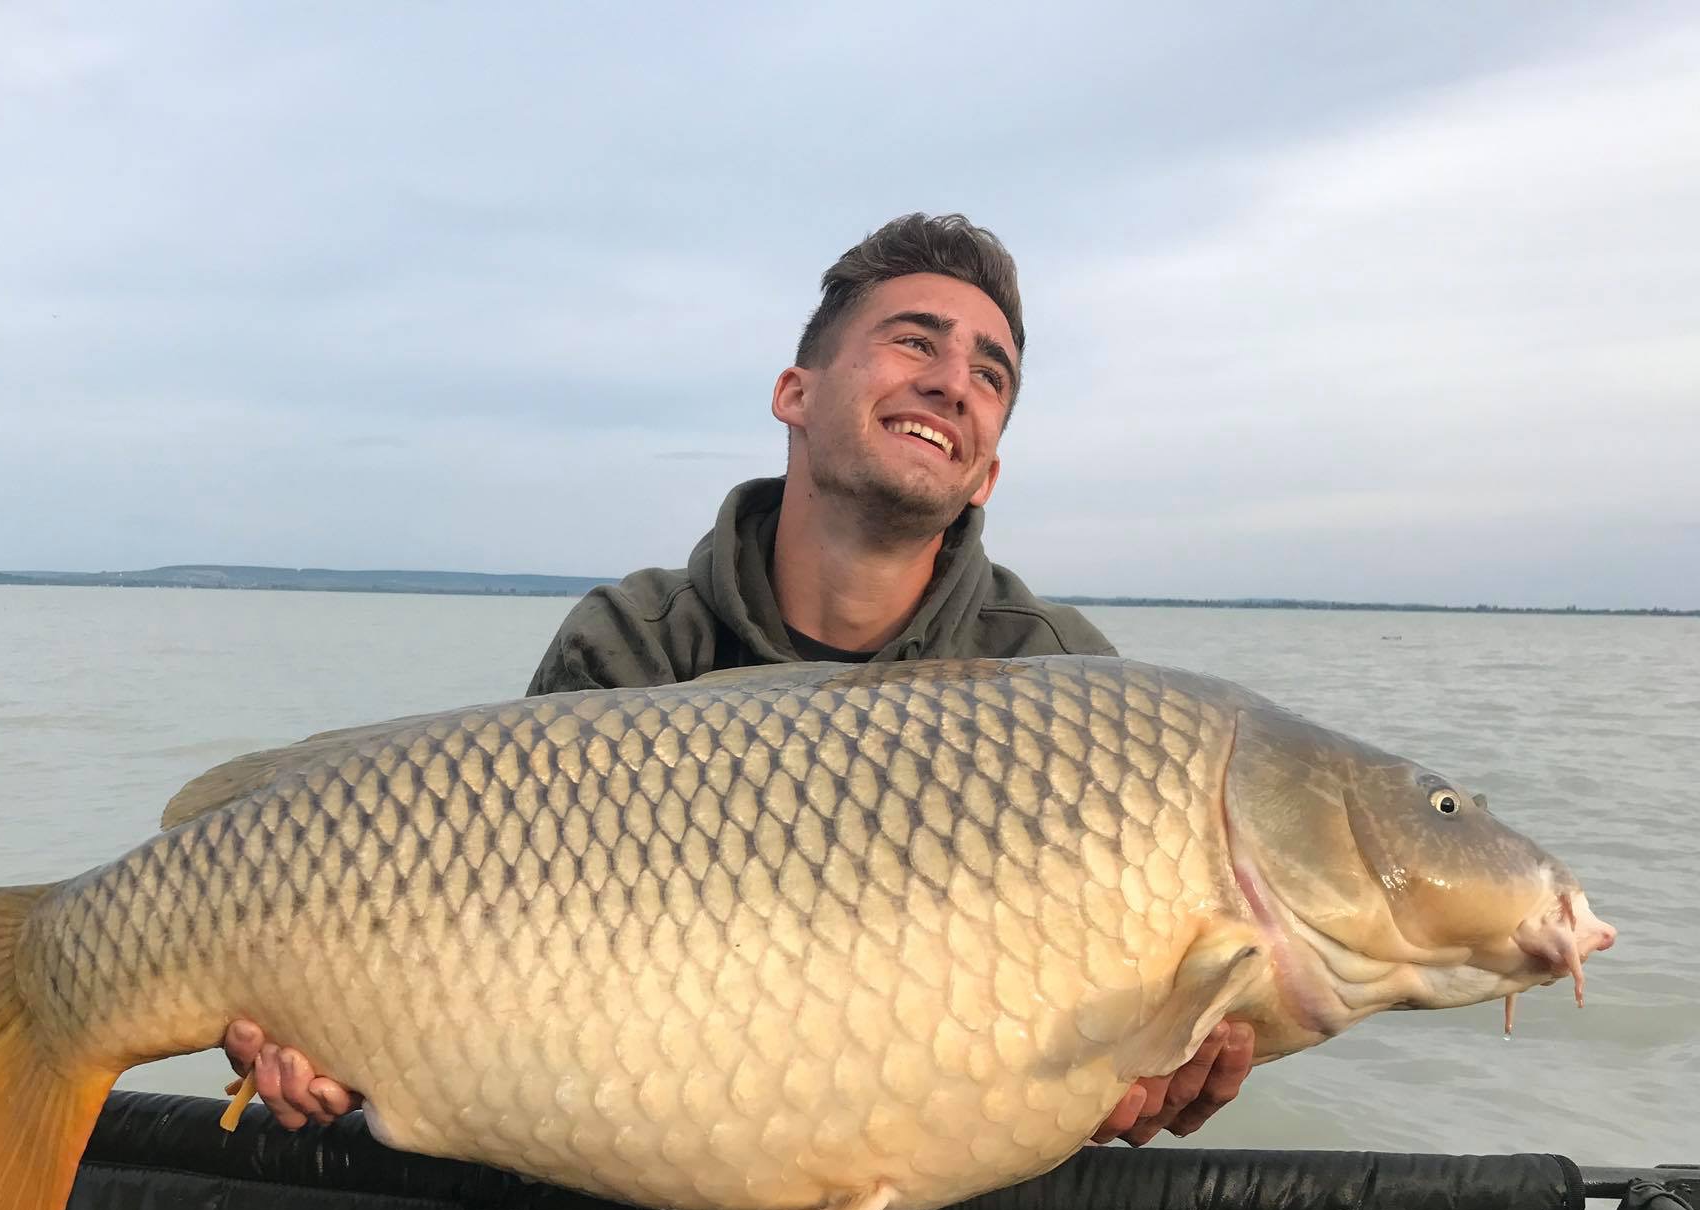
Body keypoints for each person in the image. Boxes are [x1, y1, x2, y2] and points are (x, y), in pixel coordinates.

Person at [223, 213, 1255, 1152]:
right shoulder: (632, 643)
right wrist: (343, 1040)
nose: (952, 382)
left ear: (985, 469)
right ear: (793, 394)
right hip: (630, 1155)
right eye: (913, 341)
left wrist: (1133, 1071)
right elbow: (500, 959)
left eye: (990, 376)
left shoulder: (1061, 682)